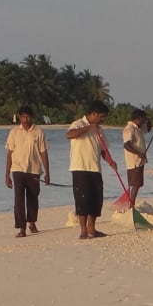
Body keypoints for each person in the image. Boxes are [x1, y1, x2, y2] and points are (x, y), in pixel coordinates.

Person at [66, 100, 117, 240]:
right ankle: (83, 231)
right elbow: (69, 135)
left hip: (95, 168)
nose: (102, 119)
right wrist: (89, 128)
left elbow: (103, 150)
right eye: (101, 116)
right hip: (79, 168)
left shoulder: (100, 130)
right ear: (93, 114)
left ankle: (92, 229)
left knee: (96, 199)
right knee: (82, 200)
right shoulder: (78, 124)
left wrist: (110, 161)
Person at [4, 106, 50, 238]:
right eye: (23, 116)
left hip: (34, 170)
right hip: (17, 169)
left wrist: (47, 173)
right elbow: (9, 154)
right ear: (19, 117)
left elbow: (43, 153)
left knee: (33, 198)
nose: (26, 119)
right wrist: (7, 175)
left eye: (28, 116)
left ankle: (32, 222)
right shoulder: (14, 132)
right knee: (18, 199)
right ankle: (21, 227)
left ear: (32, 117)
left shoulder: (38, 132)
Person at [122, 108, 149, 207]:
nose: (144, 121)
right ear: (138, 118)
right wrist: (138, 153)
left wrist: (147, 120)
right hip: (134, 161)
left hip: (140, 161)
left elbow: (148, 129)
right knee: (135, 184)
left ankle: (130, 203)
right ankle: (130, 205)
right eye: (143, 119)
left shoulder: (139, 127)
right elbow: (126, 145)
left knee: (137, 184)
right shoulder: (130, 129)